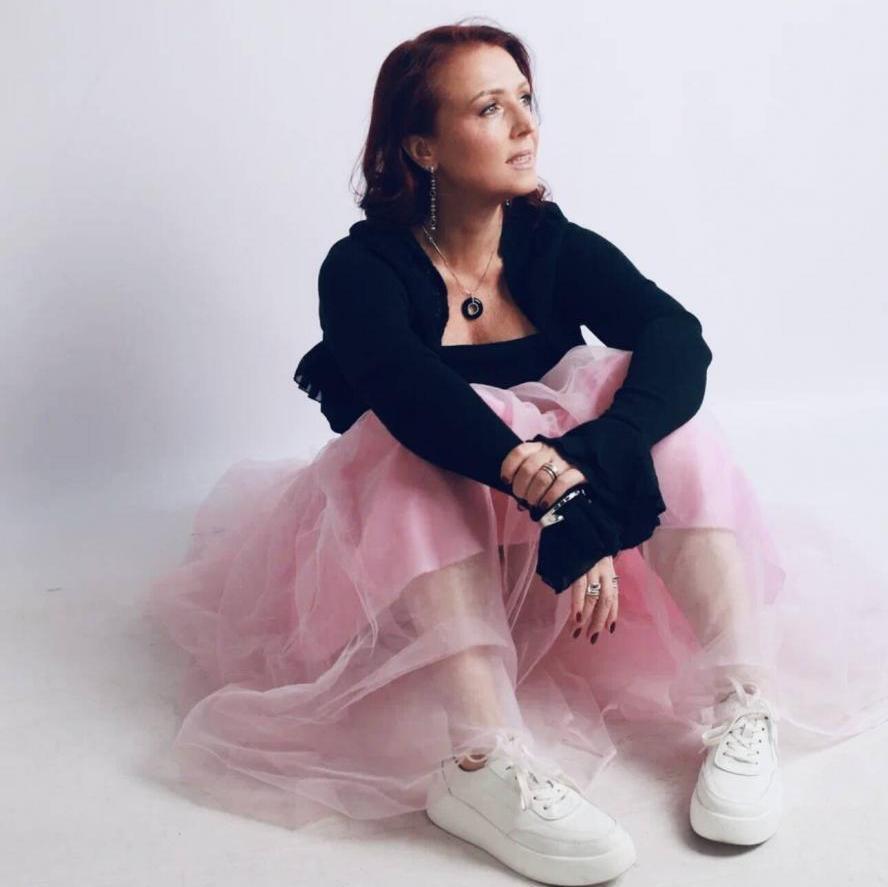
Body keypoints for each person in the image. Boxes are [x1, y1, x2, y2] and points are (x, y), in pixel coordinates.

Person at [146, 21, 888, 887]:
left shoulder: (549, 244)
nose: (527, 125)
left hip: (572, 552)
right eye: (490, 108)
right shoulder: (363, 270)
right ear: (421, 147)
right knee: (401, 446)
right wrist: (551, 492)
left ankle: (740, 694)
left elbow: (676, 333)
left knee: (648, 402)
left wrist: (598, 460)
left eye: (526, 100)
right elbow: (407, 393)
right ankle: (480, 760)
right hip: (421, 550)